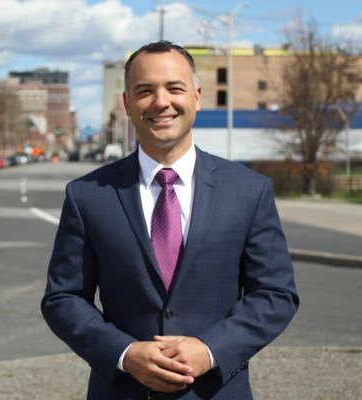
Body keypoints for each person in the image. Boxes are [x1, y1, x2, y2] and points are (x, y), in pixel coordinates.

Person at [41, 40, 299, 400]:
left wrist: (210, 349)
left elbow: (275, 293)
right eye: (145, 91)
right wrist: (124, 354)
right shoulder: (87, 195)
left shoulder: (248, 190)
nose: (161, 102)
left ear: (197, 96)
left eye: (174, 88)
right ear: (127, 103)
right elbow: (63, 298)